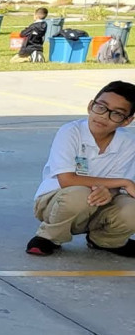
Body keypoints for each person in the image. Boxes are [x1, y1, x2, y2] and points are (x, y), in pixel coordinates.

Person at [26, 83, 135, 257]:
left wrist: (110, 191)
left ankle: (106, 240)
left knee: (131, 207)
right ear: (91, 105)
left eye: (116, 113)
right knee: (79, 194)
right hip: (56, 201)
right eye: (101, 107)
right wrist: (124, 182)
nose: (104, 116)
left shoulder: (128, 143)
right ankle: (49, 237)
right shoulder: (71, 132)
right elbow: (66, 180)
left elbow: (116, 186)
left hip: (100, 203)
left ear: (127, 121)